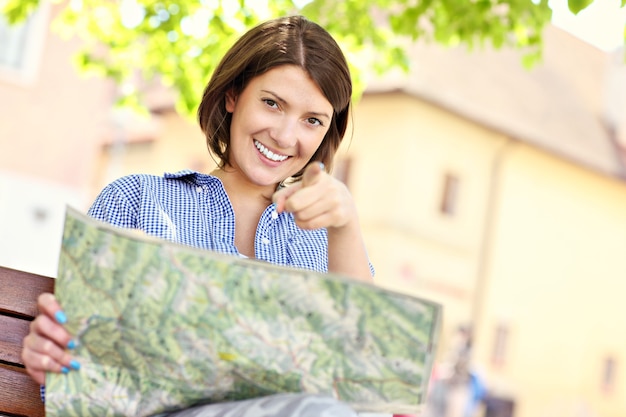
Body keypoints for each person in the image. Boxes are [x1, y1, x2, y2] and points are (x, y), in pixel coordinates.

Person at [21, 15, 374, 417]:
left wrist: (345, 227)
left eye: (313, 121)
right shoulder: (136, 201)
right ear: (232, 96)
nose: (285, 136)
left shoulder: (328, 243)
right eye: (272, 103)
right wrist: (53, 356)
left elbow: (366, 383)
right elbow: (77, 375)